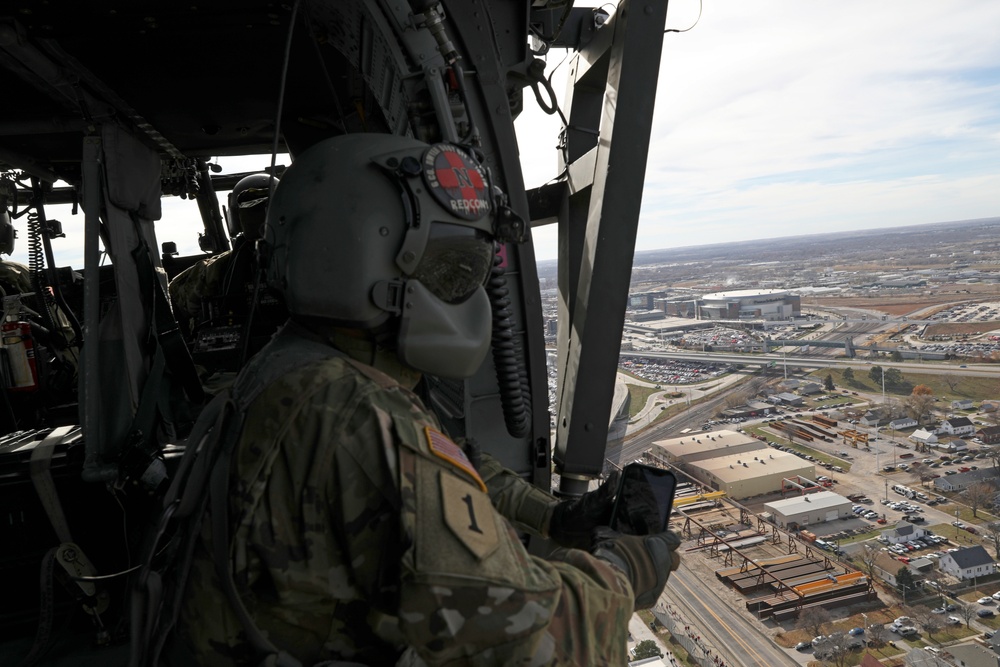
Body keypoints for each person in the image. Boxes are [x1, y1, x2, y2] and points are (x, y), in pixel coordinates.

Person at [176, 133, 681, 666]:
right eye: (449, 268)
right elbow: (540, 645)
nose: (464, 293)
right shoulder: (357, 414)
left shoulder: (301, 366)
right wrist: (624, 570)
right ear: (363, 261)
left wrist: (557, 520)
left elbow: (453, 462)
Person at [168, 174, 286, 370]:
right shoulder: (311, 263)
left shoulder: (211, 270)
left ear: (233, 217)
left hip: (232, 372)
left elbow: (173, 303)